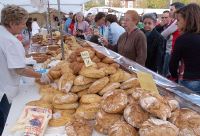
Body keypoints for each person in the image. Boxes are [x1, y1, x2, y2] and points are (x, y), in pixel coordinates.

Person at [0, 5, 51, 134]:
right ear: (12, 23)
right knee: (6, 125)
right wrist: (41, 76)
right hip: (5, 90)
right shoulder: (10, 40)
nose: (24, 26)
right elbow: (20, 70)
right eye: (22, 23)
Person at [169, 3, 200, 94]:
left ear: (187, 20)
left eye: (178, 20)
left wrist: (174, 77)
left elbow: (173, 63)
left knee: (188, 107)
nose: (176, 23)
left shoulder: (182, 39)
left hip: (189, 81)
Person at [161, 2, 185, 77]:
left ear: (178, 10)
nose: (170, 12)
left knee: (167, 75)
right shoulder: (175, 21)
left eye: (171, 9)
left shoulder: (176, 22)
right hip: (171, 50)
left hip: (172, 51)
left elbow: (164, 34)